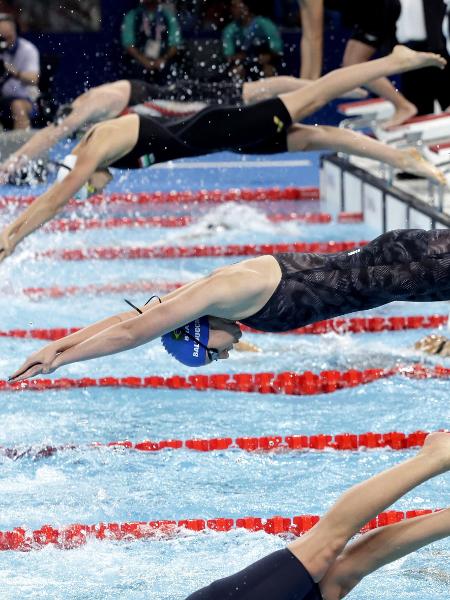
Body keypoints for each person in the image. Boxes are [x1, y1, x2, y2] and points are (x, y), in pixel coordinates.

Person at [0, 45, 447, 262]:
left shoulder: (93, 150)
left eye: (87, 192)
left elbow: (55, 199)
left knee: (314, 95)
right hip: (220, 135)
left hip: (221, 124)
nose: (92, 195)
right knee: (316, 137)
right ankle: (404, 161)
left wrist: (14, 236)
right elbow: (60, 196)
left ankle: (396, 61)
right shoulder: (103, 155)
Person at [8, 227, 450, 377]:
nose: (227, 353)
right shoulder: (212, 296)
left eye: (214, 354)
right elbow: (137, 315)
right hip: (403, 270)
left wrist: (63, 362)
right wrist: (57, 345)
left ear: (198, 332)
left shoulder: (228, 292)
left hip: (409, 267)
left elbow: (134, 331)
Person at [0, 74, 367, 182]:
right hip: (184, 104)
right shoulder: (97, 107)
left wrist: (12, 162)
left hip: (192, 102)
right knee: (266, 91)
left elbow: (56, 132)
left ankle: (340, 86)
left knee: (263, 92)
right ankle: (337, 85)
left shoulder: (94, 102)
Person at [298, 1, 418, 128]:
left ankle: (403, 106)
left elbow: (315, 38)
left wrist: (309, 89)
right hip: (368, 13)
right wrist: (303, 87)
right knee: (351, 64)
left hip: (379, 8)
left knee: (353, 64)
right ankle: (402, 105)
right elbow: (308, 37)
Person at [121, 0, 182, 83]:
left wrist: (163, 59)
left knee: (170, 72)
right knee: (135, 73)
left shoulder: (168, 16)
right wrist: (144, 60)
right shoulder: (133, 16)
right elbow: (128, 44)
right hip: (139, 62)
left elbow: (175, 44)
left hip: (163, 61)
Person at [222, 0, 283, 79]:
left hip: (264, 64)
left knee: (269, 71)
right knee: (235, 72)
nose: (232, 10)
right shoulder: (230, 30)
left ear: (246, 8)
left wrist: (269, 56)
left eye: (236, 6)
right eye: (232, 6)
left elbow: (278, 50)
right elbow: (228, 54)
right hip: (242, 64)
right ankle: (239, 90)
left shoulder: (265, 25)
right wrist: (238, 57)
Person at [0, 12, 39, 130]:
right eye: (1, 36)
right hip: (2, 99)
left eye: (8, 36)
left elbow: (34, 79)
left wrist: (14, 72)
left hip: (24, 100)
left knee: (17, 106)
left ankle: (22, 145)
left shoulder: (28, 49)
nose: (5, 40)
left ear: (15, 32)